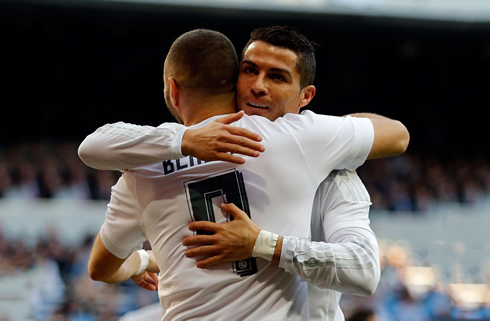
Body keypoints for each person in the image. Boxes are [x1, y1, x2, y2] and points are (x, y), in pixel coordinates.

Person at [80, 28, 409, 320]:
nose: (258, 86)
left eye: (276, 77)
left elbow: (101, 267)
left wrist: (141, 262)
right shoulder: (302, 138)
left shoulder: (143, 167)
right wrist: (332, 133)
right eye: (249, 71)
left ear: (172, 90)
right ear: (232, 78)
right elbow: (397, 135)